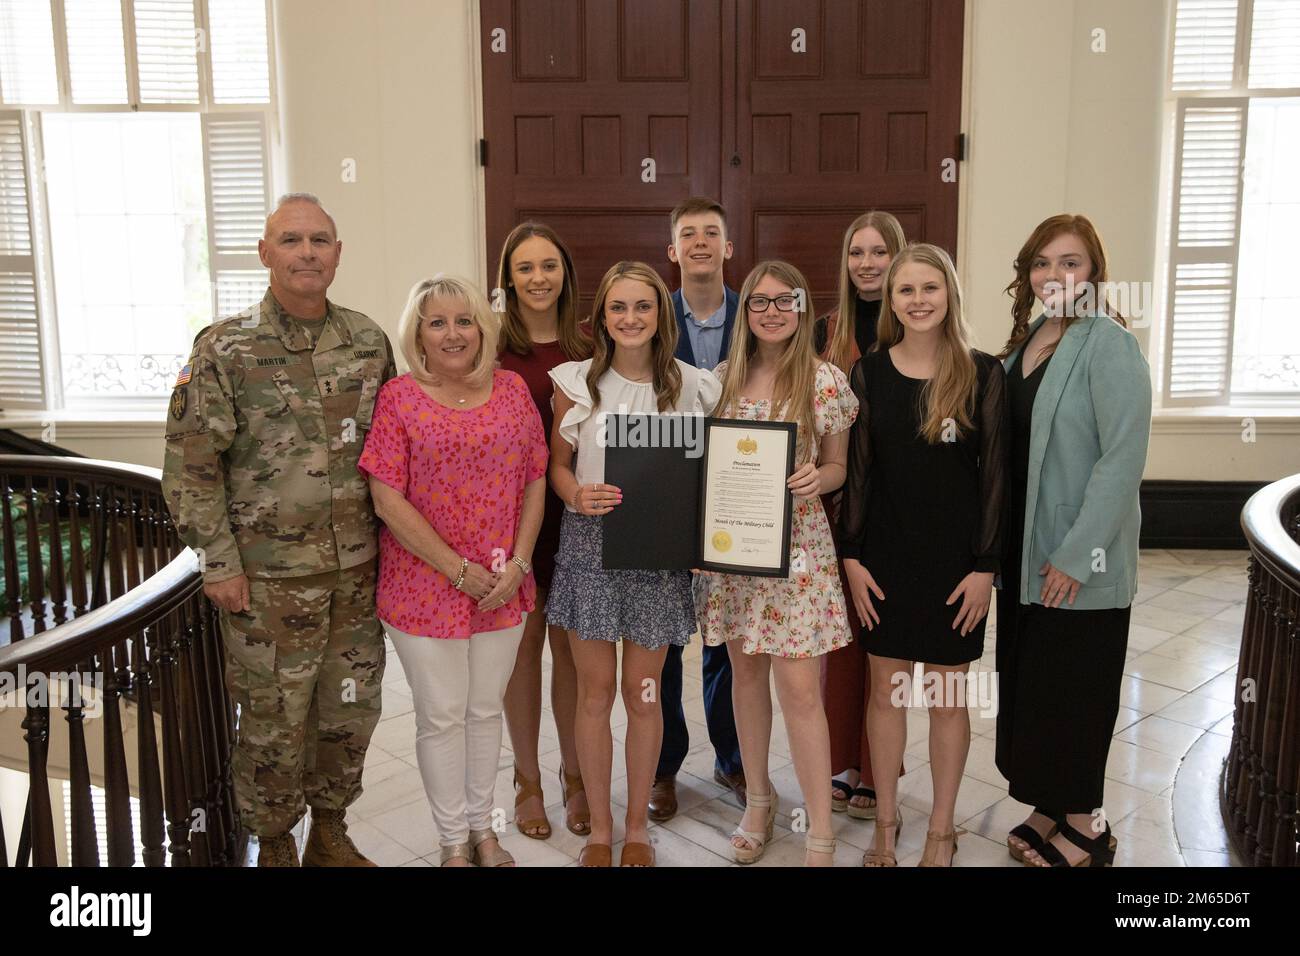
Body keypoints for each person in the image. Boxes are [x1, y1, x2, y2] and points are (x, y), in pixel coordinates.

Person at [162, 193, 395, 867]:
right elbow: (190, 465)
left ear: (338, 254)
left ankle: (329, 830)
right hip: (266, 581)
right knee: (273, 721)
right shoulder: (224, 348)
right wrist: (218, 562)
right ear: (265, 254)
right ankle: (274, 843)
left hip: (356, 572)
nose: (307, 253)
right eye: (291, 241)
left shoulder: (368, 341)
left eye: (320, 240)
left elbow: (394, 453)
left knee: (348, 712)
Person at [358, 275, 548, 868]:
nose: (452, 333)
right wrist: (456, 570)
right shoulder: (398, 397)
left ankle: (484, 832)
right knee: (442, 715)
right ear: (418, 332)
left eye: (464, 320)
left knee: (485, 710)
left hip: (502, 584)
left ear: (482, 328)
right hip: (423, 587)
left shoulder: (513, 390)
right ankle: (451, 844)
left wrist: (518, 563)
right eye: (436, 322)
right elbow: (387, 498)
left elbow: (536, 479)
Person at [546, 261, 722, 867]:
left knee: (643, 693)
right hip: (592, 548)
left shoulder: (697, 386)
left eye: (642, 307)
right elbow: (557, 466)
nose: (630, 318)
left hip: (658, 554)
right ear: (603, 318)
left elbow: (710, 476)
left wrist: (705, 540)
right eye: (618, 307)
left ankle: (639, 830)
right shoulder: (574, 384)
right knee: (594, 694)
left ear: (661, 314)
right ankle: (599, 828)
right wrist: (573, 494)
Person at [839, 242, 1007, 867]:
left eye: (929, 289)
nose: (917, 301)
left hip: (955, 566)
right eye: (906, 290)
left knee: (946, 693)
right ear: (892, 299)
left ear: (949, 295)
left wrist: (985, 567)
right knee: (886, 693)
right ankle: (886, 820)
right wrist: (851, 558)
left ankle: (941, 826)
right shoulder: (870, 374)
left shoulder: (983, 373)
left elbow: (995, 480)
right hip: (883, 561)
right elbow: (858, 474)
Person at [995, 215, 1151, 868]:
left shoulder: (1108, 344)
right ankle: (1048, 804)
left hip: (1078, 558)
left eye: (1071, 263)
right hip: (1024, 556)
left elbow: (1121, 461)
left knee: (1079, 692)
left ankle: (1089, 825)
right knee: (1037, 690)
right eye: (1042, 263)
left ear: (1094, 273)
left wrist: (1078, 555)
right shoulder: (1028, 340)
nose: (1054, 276)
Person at [695, 259, 858, 867]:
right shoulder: (719, 381)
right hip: (736, 555)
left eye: (782, 300)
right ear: (746, 311)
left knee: (800, 690)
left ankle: (820, 827)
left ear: (800, 308)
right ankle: (757, 801)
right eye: (758, 301)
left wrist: (821, 477)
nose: (769, 311)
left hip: (799, 553)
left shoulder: (823, 382)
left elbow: (840, 466)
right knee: (744, 675)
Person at [495, 222, 593, 840]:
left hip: (581, 517)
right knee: (522, 651)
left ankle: (576, 775)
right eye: (526, 267)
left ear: (565, 274)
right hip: (514, 522)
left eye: (549, 266)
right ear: (508, 277)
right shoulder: (489, 349)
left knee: (574, 657)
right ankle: (526, 779)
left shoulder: (592, 345)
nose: (538, 278)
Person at [650, 197, 746, 823]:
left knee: (729, 640)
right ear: (673, 250)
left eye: (713, 232)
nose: (702, 242)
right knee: (661, 640)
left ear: (729, 247)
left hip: (740, 496)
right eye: (689, 234)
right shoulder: (648, 317)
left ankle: (733, 758)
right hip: (667, 495)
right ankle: (663, 768)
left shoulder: (758, 315)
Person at [814, 210, 907, 818]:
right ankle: (843, 762)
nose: (867, 264)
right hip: (836, 506)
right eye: (857, 253)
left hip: (899, 508)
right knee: (841, 642)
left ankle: (880, 768)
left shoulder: (917, 327)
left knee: (888, 640)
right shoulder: (825, 331)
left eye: (879, 252)